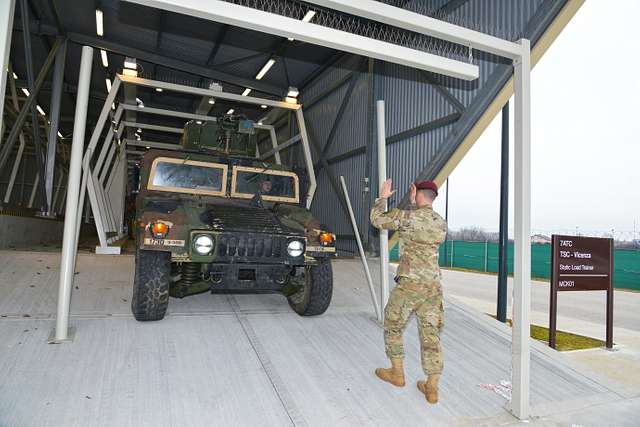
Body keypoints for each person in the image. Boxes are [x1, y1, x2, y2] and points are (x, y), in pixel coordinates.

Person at [370, 178, 447, 404]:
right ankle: (431, 387)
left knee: (392, 325)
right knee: (431, 336)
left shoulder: (406, 217)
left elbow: (377, 219)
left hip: (409, 286)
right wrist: (415, 203)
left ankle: (397, 373)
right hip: (433, 288)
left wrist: (383, 197)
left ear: (416, 193)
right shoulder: (440, 223)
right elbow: (421, 223)